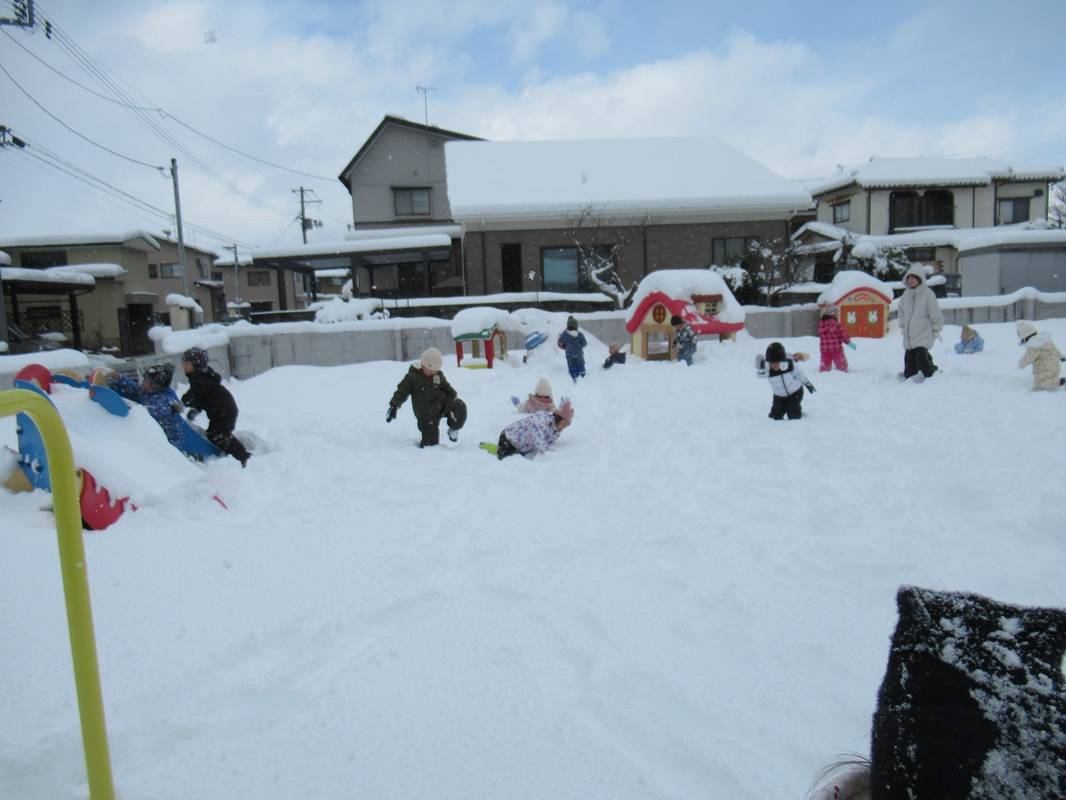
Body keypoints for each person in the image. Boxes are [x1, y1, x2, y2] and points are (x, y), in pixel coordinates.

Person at [180, 347, 251, 467]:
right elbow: (202, 398)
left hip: (224, 411)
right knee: (217, 434)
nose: (183, 366)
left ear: (196, 365)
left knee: (218, 435)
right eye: (183, 363)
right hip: (222, 410)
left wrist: (181, 403)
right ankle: (236, 455)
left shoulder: (200, 380)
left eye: (186, 364)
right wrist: (196, 409)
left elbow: (194, 394)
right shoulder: (201, 378)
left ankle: (242, 457)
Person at [387, 347, 467, 447]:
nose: (432, 372)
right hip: (426, 415)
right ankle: (426, 446)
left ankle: (453, 429)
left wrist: (453, 399)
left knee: (459, 405)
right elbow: (401, 392)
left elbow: (449, 389)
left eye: (435, 370)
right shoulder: (412, 378)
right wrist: (394, 405)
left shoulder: (437, 375)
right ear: (423, 365)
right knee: (430, 446)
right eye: (429, 369)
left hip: (440, 405)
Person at [108, 363, 185, 446]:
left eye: (146, 380)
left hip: (167, 444)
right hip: (155, 436)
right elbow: (134, 388)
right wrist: (118, 377)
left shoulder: (161, 404)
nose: (143, 381)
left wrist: (122, 403)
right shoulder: (148, 391)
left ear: (154, 385)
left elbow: (140, 413)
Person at [483, 400, 573, 460]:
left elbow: (548, 440)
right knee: (505, 456)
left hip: (522, 446)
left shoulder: (554, 429)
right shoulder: (541, 422)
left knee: (518, 457)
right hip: (509, 438)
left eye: (567, 425)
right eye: (564, 424)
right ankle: (485, 446)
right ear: (559, 418)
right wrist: (556, 455)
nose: (564, 427)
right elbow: (540, 444)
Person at [897, 266, 944, 381]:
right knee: (909, 366)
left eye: (913, 278)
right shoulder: (906, 295)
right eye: (909, 278)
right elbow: (901, 311)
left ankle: (932, 376)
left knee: (921, 359)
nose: (911, 280)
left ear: (919, 279)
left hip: (924, 333)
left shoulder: (928, 294)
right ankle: (911, 378)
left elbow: (935, 312)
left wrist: (936, 328)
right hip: (910, 336)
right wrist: (903, 325)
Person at [763, 341, 815, 420]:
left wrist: (807, 383)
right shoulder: (768, 370)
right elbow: (759, 369)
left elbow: (799, 374)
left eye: (777, 363)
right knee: (775, 417)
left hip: (795, 392)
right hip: (779, 396)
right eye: (772, 363)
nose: (774, 366)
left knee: (793, 414)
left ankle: (798, 415)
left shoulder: (790, 365)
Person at [1016, 320, 1064, 390]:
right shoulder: (1045, 341)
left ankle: (1061, 382)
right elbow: (1054, 350)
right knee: (1049, 378)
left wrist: (1021, 364)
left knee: (1039, 383)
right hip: (1055, 367)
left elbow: (1027, 358)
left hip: (1045, 369)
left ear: (1025, 337)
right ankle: (1056, 380)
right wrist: (1062, 356)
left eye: (1022, 339)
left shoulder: (1033, 346)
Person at [818, 305, 854, 372]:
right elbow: (843, 334)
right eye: (837, 314)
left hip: (824, 348)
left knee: (825, 362)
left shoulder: (821, 324)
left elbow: (820, 334)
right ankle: (842, 370)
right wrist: (848, 342)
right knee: (840, 362)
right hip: (836, 348)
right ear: (834, 314)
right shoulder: (837, 324)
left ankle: (824, 370)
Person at [557, 316, 587, 381]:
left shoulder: (565, 334)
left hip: (569, 354)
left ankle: (574, 376)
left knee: (572, 365)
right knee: (581, 364)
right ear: (576, 326)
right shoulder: (580, 334)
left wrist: (564, 347)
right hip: (579, 353)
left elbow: (560, 343)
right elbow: (584, 343)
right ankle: (583, 374)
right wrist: (580, 346)